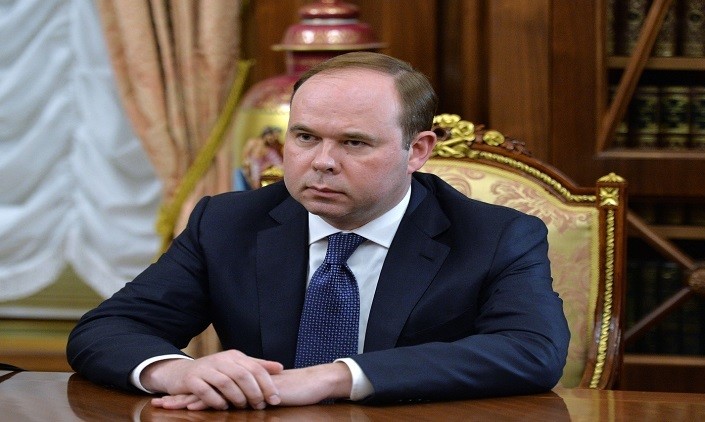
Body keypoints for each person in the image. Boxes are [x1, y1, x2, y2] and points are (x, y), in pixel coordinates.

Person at [67, 52, 570, 411]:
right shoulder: (227, 223)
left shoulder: (495, 235)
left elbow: (532, 350)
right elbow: (105, 330)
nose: (322, 162)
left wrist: (335, 377)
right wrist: (181, 371)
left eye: (354, 143)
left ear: (416, 151)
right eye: (305, 137)